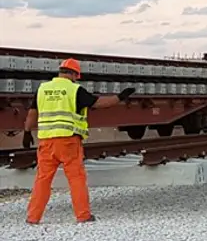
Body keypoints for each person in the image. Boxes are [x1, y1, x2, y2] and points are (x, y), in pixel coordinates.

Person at [24, 58, 136, 224]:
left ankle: (33, 217)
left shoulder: (43, 89)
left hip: (46, 142)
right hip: (68, 141)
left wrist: (27, 132)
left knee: (43, 179)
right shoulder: (74, 89)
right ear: (74, 74)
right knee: (76, 178)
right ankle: (83, 216)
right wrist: (120, 97)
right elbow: (99, 103)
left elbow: (33, 113)